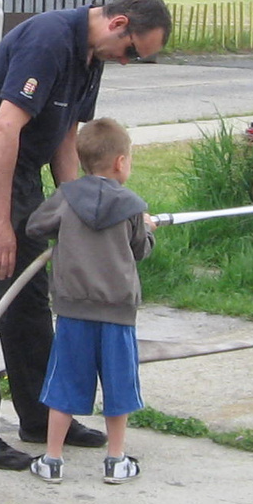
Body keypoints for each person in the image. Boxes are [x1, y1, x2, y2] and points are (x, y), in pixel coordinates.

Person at [0, 0, 171, 471]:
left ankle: (42, 417)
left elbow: (65, 137)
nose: (128, 62)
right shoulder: (49, 40)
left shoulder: (91, 57)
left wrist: (86, 208)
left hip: (24, 170)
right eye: (132, 51)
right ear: (119, 24)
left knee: (30, 296)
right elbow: (4, 129)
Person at [24, 119, 156, 485]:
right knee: (119, 386)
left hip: (73, 311)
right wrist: (146, 227)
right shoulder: (132, 205)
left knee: (64, 384)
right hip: (118, 313)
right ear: (119, 163)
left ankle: (52, 460)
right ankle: (116, 460)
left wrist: (63, 232)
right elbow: (140, 250)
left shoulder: (67, 197)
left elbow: (36, 226)